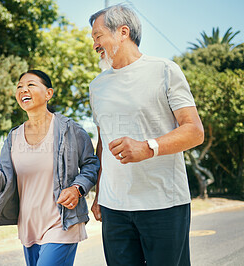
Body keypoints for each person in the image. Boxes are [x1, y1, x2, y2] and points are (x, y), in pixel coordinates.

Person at [88, 4, 204, 266]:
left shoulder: (165, 70)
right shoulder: (97, 86)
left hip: (164, 203)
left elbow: (194, 131)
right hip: (114, 208)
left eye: (98, 36)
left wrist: (148, 147)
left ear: (123, 32)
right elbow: (102, 144)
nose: (94, 44)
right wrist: (98, 195)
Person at [0, 70, 100, 266]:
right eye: (19, 86)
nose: (23, 89)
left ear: (48, 93)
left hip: (62, 223)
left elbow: (91, 163)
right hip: (29, 226)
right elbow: (5, 184)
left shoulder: (69, 130)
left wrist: (77, 188)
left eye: (31, 85)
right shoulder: (14, 136)